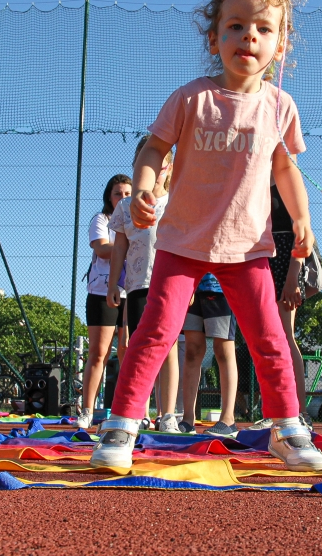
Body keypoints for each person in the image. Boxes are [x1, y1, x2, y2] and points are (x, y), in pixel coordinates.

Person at [90, 0, 322, 472]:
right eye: (236, 26)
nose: (249, 37)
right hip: (181, 242)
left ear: (281, 43)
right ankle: (121, 426)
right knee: (154, 332)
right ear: (215, 38)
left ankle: (287, 429)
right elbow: (153, 150)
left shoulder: (280, 106)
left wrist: (303, 217)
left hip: (249, 247)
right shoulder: (191, 98)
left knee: (268, 338)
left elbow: (285, 169)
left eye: (264, 28)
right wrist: (147, 188)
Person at [105, 136, 179, 432]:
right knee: (138, 347)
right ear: (137, 165)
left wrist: (190, 288)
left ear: (170, 167)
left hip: (171, 284)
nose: (156, 165)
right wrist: (114, 284)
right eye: (148, 159)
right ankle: (140, 411)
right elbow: (119, 248)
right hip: (137, 286)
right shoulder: (125, 207)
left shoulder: (178, 200)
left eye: (163, 160)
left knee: (170, 348)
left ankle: (168, 414)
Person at [246, 183, 311, 431]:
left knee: (284, 336)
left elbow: (302, 235)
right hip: (260, 258)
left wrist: (292, 277)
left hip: (285, 262)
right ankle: (273, 410)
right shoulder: (254, 182)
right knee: (264, 338)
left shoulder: (289, 185)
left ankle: (301, 411)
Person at [77, 174, 131, 428]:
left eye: (128, 194)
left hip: (133, 293)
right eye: (118, 193)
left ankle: (128, 412)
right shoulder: (101, 220)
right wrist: (125, 246)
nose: (123, 198)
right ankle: (87, 411)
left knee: (128, 352)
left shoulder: (140, 222)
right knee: (99, 353)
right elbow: (101, 249)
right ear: (109, 198)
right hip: (101, 292)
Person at [181, 273, 239, 435]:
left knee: (223, 351)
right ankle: (187, 419)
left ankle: (228, 420)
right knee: (192, 351)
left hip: (221, 286)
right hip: (191, 285)